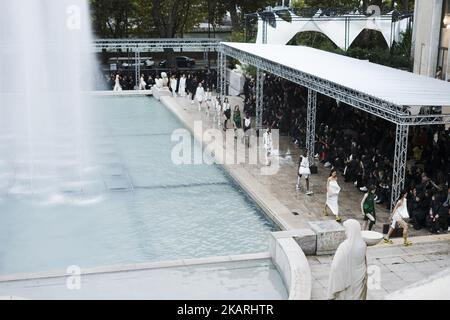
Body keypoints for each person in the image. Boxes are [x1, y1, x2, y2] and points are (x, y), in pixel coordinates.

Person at [327, 219, 367, 300]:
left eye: (346, 230)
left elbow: (335, 266)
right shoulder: (363, 245)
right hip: (358, 282)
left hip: (347, 283)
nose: (345, 232)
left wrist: (335, 282)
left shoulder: (345, 246)